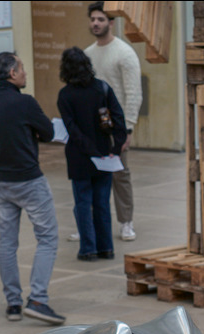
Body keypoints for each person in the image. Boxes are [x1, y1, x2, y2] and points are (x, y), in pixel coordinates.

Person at [0, 52, 66, 325]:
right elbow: (50, 134)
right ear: (13, 74)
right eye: (23, 68)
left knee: (7, 243)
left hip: (1, 181)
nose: (26, 73)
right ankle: (38, 299)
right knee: (48, 237)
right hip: (29, 181)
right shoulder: (25, 102)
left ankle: (13, 304)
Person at [58, 47, 127, 262]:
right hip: (105, 156)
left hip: (80, 157)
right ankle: (106, 248)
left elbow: (72, 129)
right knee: (102, 203)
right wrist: (114, 149)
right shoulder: (102, 89)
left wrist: (89, 151)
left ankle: (88, 249)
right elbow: (119, 119)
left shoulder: (65, 95)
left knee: (83, 203)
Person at [85, 1, 143, 242]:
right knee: (90, 173)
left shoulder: (124, 53)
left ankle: (126, 221)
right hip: (92, 125)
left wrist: (127, 127)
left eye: (100, 19)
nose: (95, 24)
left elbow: (133, 92)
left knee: (120, 174)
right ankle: (89, 224)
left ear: (111, 22)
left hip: (117, 126)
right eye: (93, 19)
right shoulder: (87, 54)